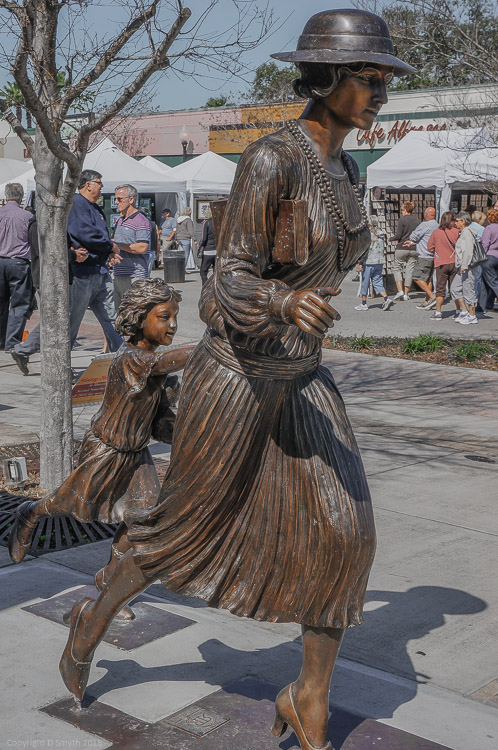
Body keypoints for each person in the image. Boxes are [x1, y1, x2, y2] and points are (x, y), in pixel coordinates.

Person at [55, 10, 415, 750]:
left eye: (385, 80)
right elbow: (225, 284)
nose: (381, 93)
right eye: (368, 78)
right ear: (326, 78)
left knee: (346, 534)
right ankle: (91, 620)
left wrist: (300, 311)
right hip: (237, 379)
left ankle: (308, 697)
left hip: (302, 379)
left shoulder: (346, 171)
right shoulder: (271, 160)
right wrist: (282, 301)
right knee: (178, 532)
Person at [9, 278, 195, 574]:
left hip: (136, 455)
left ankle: (110, 576)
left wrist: (189, 434)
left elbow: (159, 425)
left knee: (145, 517)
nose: (172, 325)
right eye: (164, 317)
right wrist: (210, 348)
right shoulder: (131, 358)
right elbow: (163, 362)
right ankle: (29, 513)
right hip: (105, 451)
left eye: (174, 317)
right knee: (67, 503)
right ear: (138, 318)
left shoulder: (159, 374)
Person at [10, 216, 88, 375]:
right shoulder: (38, 225)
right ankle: (27, 352)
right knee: (56, 319)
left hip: (60, 278)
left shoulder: (55, 221)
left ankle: (24, 351)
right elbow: (47, 253)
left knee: (57, 319)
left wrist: (73, 250)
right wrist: (73, 255)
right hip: (49, 280)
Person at [67, 170, 123, 352]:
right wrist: (110, 246)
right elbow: (84, 234)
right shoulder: (77, 204)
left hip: (100, 271)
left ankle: (123, 356)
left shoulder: (93, 207)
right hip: (83, 273)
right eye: (99, 183)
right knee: (72, 320)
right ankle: (56, 359)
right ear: (88, 185)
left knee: (111, 318)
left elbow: (100, 235)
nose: (101, 187)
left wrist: (108, 252)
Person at [0, 183, 33, 352]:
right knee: (19, 305)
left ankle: (1, 340)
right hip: (19, 263)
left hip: (1, 261)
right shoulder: (27, 216)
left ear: (6, 196)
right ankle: (11, 342)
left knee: (1, 303)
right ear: (21, 197)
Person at [112, 184, 151, 310]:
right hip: (118, 274)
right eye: (115, 199)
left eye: (119, 199)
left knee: (134, 314)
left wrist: (117, 245)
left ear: (131, 199)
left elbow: (142, 247)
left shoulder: (141, 221)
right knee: (118, 315)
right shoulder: (120, 220)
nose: (116, 202)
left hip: (134, 276)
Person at [426, 212, 460, 321]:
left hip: (441, 263)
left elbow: (430, 248)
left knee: (440, 289)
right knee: (456, 289)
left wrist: (438, 250)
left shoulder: (436, 232)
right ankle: (458, 311)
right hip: (455, 262)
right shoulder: (457, 232)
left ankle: (438, 312)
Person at [355, 216, 393, 311]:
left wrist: (360, 263)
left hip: (369, 261)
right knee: (377, 282)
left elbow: (365, 251)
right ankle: (386, 299)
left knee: (365, 282)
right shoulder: (381, 234)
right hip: (379, 261)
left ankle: (363, 303)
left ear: (369, 225)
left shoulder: (368, 235)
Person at [407, 207, 439, 309]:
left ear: (426, 214)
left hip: (423, 255)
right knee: (428, 280)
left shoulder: (425, 225)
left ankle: (432, 297)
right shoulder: (437, 225)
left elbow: (413, 236)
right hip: (432, 256)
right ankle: (427, 302)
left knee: (416, 277)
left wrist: (413, 239)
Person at [451, 211, 479, 325]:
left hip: (467, 267)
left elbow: (468, 251)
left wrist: (464, 265)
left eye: (457, 221)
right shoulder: (463, 232)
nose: (455, 223)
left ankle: (472, 316)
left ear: (463, 221)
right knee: (455, 288)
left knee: (468, 290)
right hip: (462, 267)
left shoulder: (467, 232)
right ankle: (464, 311)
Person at [390, 201, 419, 301]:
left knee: (396, 268)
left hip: (402, 247)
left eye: (402, 210)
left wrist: (391, 238)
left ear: (406, 210)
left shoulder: (402, 219)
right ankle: (406, 294)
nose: (402, 212)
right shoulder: (417, 220)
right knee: (409, 270)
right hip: (413, 248)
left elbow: (398, 235)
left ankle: (400, 291)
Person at [479, 208, 498, 310]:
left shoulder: (489, 228)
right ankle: (486, 304)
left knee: (491, 282)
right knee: (488, 281)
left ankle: (482, 305)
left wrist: (482, 256)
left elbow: (485, 243)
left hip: (489, 256)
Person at [198, 208, 216, 286]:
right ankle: (215, 286)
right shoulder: (217, 222)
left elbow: (204, 238)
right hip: (216, 250)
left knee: (203, 272)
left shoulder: (206, 223)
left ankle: (206, 287)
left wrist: (200, 245)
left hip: (208, 250)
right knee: (216, 271)